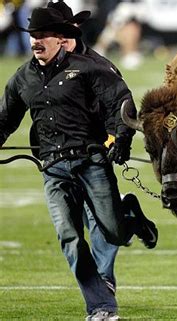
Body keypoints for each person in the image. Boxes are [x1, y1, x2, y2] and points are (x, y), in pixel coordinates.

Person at [0, 7, 158, 320]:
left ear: (61, 38)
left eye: (43, 35)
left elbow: (121, 101)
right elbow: (4, 119)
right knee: (69, 237)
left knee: (112, 232)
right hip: (53, 168)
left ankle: (128, 215)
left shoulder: (89, 68)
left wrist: (120, 140)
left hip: (91, 162)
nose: (36, 41)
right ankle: (101, 305)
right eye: (33, 36)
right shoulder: (23, 78)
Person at [46, 0, 141, 298]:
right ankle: (125, 218)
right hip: (57, 160)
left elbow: (122, 105)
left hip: (94, 154)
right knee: (73, 230)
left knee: (100, 221)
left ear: (72, 29)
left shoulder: (98, 66)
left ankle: (104, 278)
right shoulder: (42, 69)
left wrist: (117, 138)